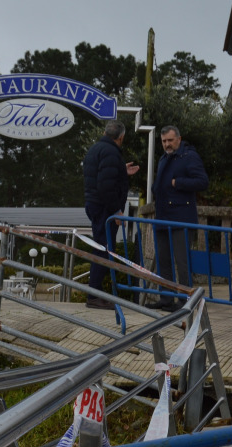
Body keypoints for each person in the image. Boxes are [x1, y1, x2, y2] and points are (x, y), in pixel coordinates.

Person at [82, 120, 140, 309]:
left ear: (104, 133)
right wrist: (116, 211)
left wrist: (122, 170)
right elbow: (105, 186)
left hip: (94, 204)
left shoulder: (95, 149)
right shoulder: (111, 153)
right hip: (104, 208)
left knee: (101, 247)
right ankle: (94, 295)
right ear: (121, 137)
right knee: (104, 249)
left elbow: (100, 176)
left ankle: (95, 293)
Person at [151, 125, 209, 312]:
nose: (167, 144)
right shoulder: (163, 158)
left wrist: (179, 183)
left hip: (181, 218)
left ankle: (186, 301)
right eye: (164, 141)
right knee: (163, 261)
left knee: (182, 262)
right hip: (162, 217)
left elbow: (203, 181)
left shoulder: (189, 156)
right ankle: (166, 299)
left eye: (170, 140)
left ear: (179, 139)